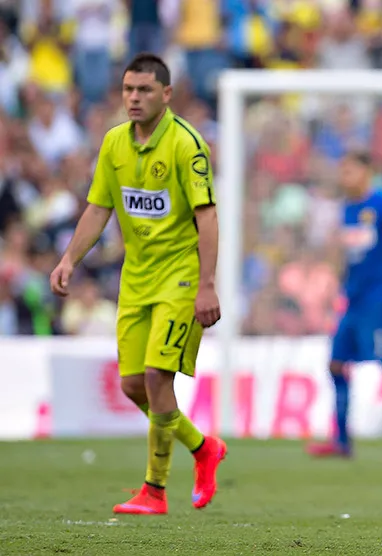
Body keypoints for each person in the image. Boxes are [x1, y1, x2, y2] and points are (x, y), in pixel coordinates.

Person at [49, 53, 226, 515]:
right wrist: (69, 259)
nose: (133, 97)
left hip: (180, 278)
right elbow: (98, 208)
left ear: (166, 94)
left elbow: (207, 217)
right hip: (136, 280)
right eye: (128, 89)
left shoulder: (187, 144)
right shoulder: (114, 143)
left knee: (156, 378)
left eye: (144, 90)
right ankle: (203, 447)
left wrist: (207, 285)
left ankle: (154, 490)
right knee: (132, 385)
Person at [306, 151, 382, 464]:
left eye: (349, 171)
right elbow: (350, 257)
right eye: (342, 171)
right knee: (336, 364)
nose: (343, 177)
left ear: (366, 172)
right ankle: (341, 441)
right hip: (352, 299)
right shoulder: (347, 208)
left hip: (380, 299)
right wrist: (339, 290)